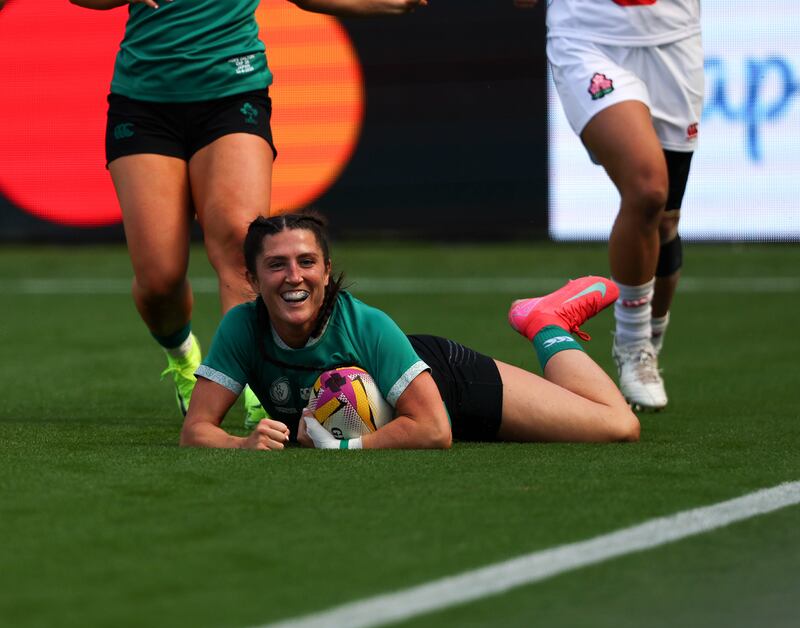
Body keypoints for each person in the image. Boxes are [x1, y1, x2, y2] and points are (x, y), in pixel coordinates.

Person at [69, 0, 428, 428]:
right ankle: (184, 359)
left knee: (243, 252)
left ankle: (260, 388)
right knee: (159, 281)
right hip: (144, 102)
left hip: (233, 92)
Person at [180, 212, 639, 450]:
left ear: (327, 270)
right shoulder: (242, 326)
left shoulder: (367, 325)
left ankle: (547, 322)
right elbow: (196, 428)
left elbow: (435, 430)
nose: (293, 277)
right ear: (253, 280)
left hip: (447, 385)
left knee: (617, 426)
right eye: (276, 265)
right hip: (402, 415)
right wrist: (242, 442)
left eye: (307, 262)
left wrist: (343, 447)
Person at [514, 0, 703, 410]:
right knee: (648, 190)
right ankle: (633, 346)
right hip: (588, 34)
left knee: (665, 219)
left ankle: (650, 338)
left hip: (674, 37)